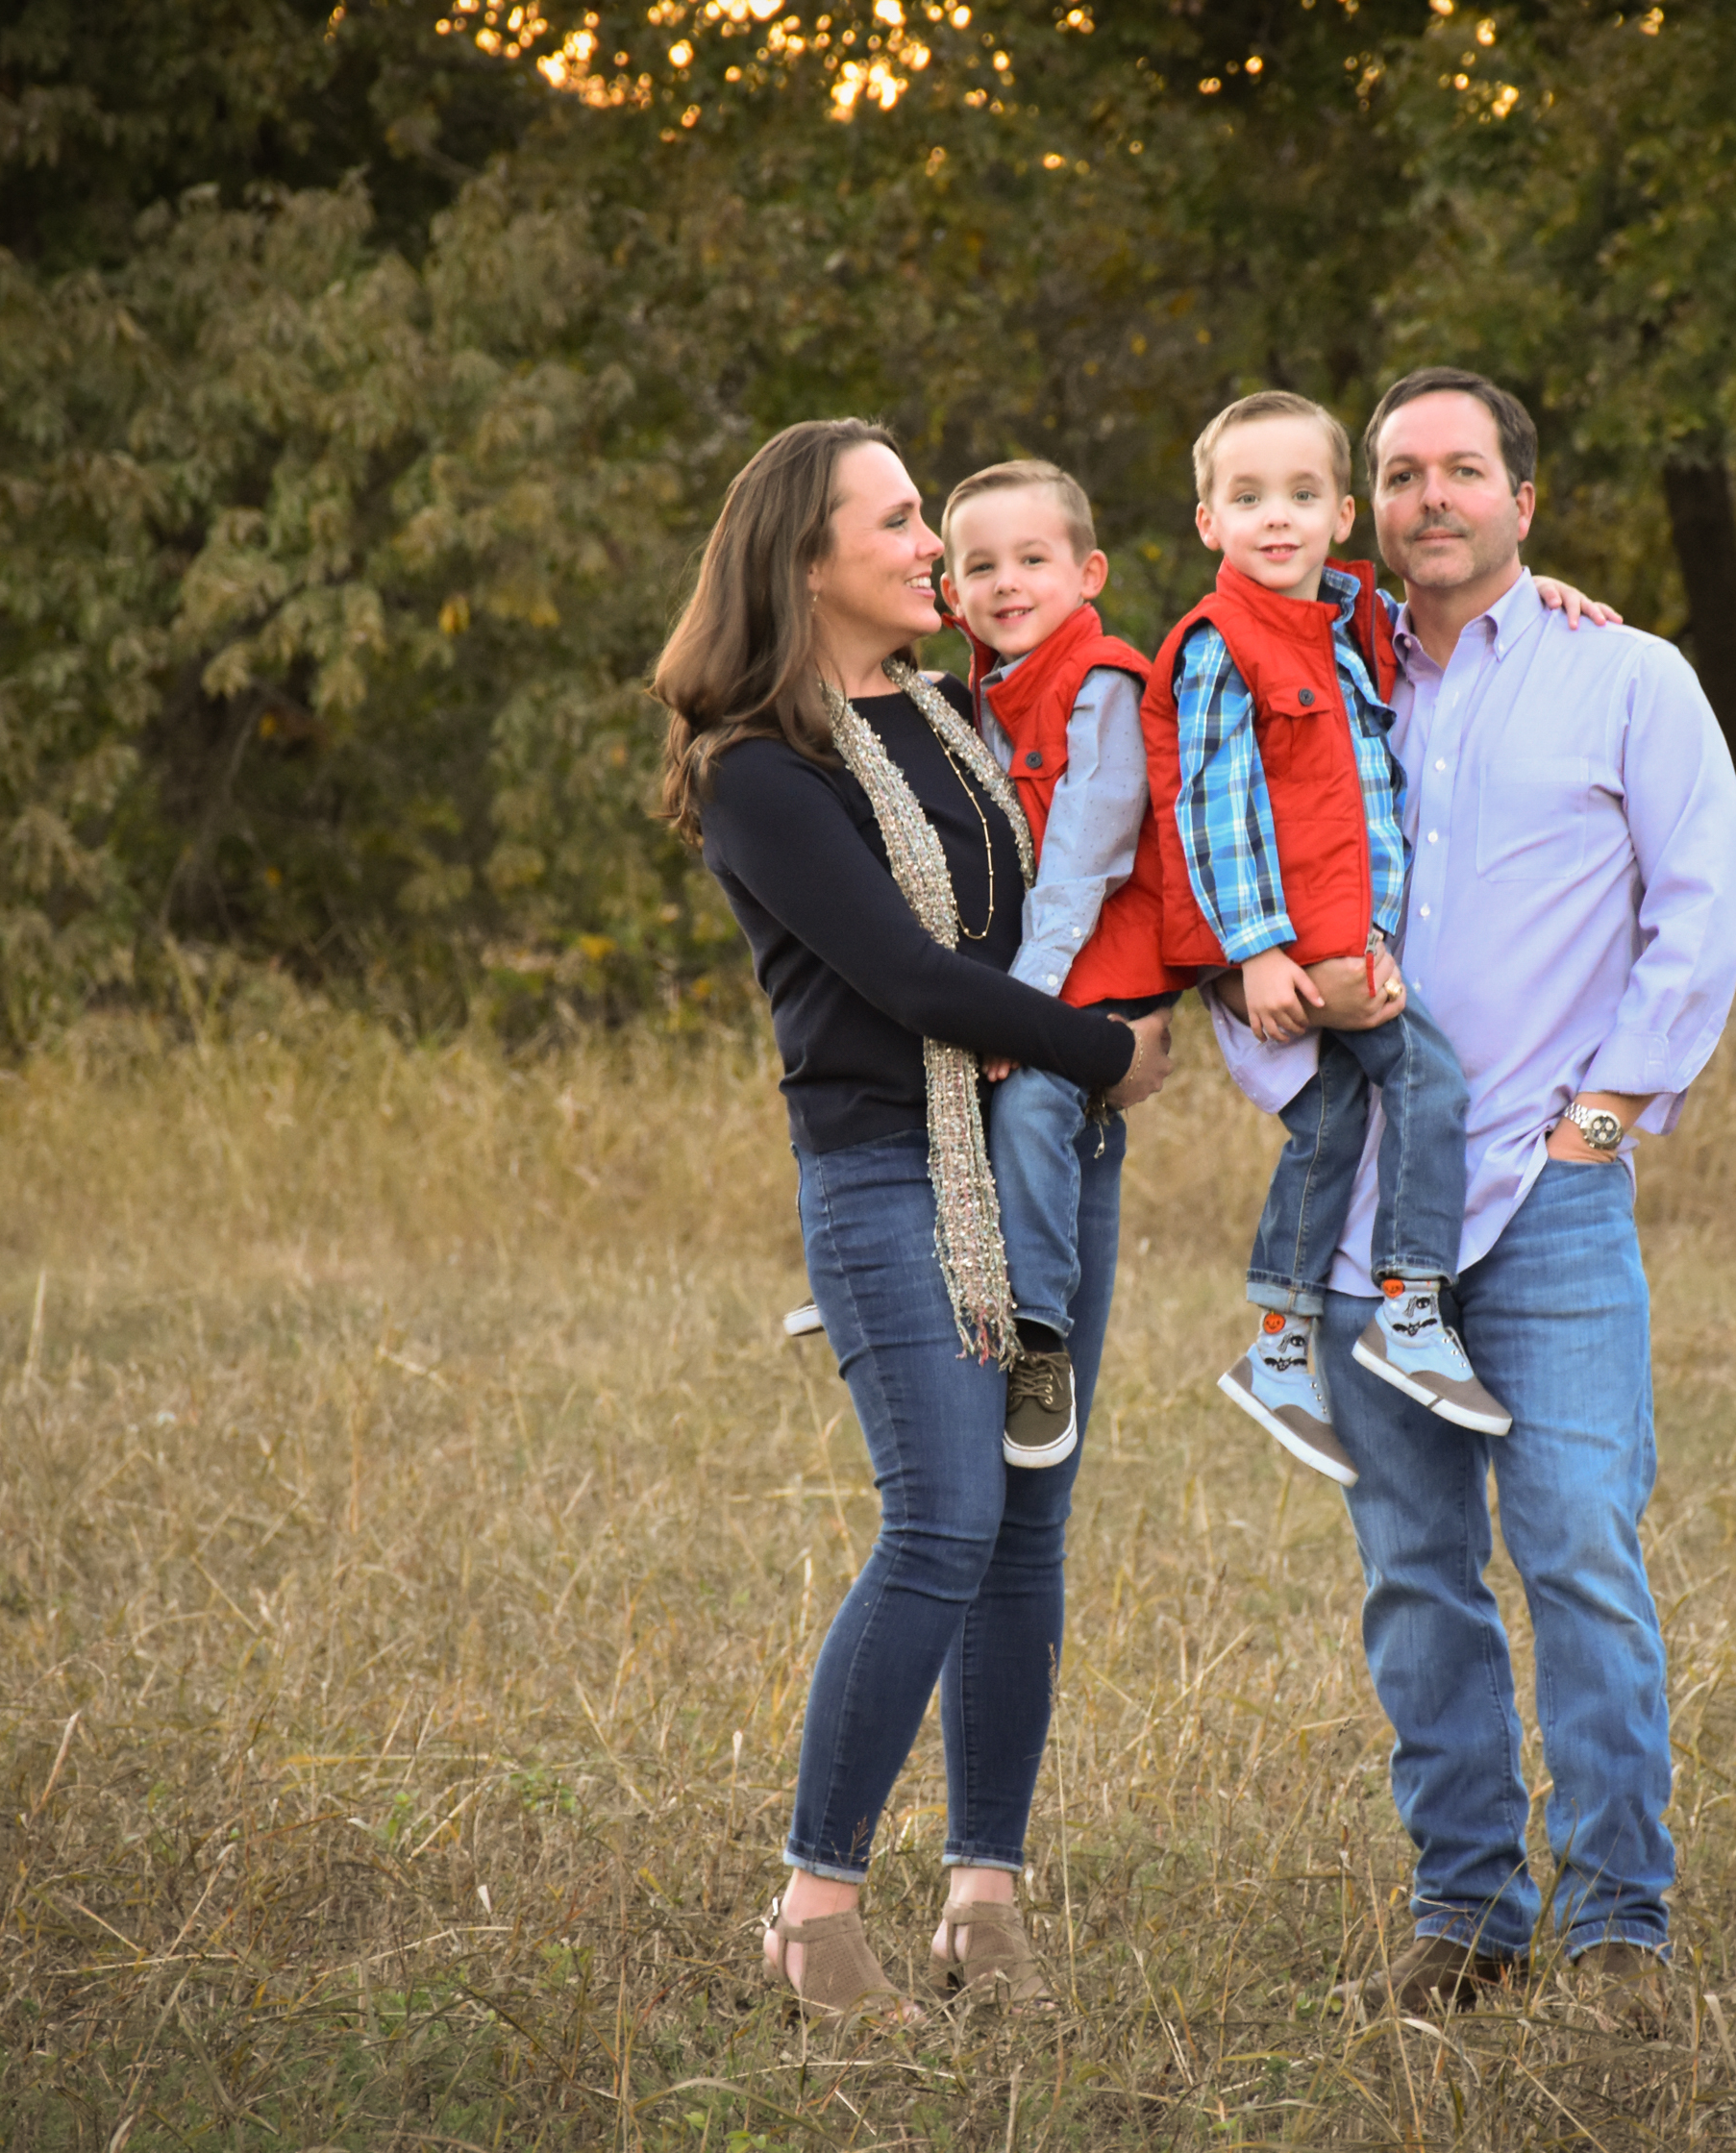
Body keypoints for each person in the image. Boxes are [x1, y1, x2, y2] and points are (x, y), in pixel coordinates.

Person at [1210, 368, 1736, 2019]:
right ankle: (1465, 1915)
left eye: (1462, 470)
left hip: (1550, 1197)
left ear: (1525, 497)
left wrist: (1608, 1113)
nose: (1429, 497)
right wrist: (1296, 1087)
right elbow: (1215, 874)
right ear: (1365, 506)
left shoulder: (1625, 675)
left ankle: (1619, 1928)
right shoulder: (1305, 664)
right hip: (1367, 1206)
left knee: (1578, 1546)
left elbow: (1704, 901)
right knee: (1415, 1573)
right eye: (1400, 473)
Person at [655, 418, 1176, 2021]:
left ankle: (983, 1901)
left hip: (1048, 1166)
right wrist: (1109, 1052)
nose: (931, 546)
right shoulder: (761, 771)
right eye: (894, 521)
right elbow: (911, 976)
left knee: (1025, 1534)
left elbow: (1160, 734)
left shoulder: (962, 713)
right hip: (892, 1172)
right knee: (944, 1521)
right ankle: (814, 1910)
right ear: (805, 560)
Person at [1153, 390, 1510, 1488]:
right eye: (1248, 497)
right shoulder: (1223, 643)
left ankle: (1278, 1346)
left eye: (1303, 494)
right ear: (1208, 520)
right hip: (1291, 945)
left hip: (1346, 941)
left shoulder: (1348, 632)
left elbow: (1360, 807)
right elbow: (1212, 805)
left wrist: (1548, 593)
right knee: (1431, 1082)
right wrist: (1257, 950)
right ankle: (1411, 1306)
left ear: (1343, 515)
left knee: (1330, 1122)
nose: (1278, 517)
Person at [938, 459, 1186, 1470]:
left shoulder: (1103, 684)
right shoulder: (976, 697)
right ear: (950, 591)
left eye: (1032, 560)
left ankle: (1040, 1337)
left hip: (1094, 963)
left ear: (1089, 574)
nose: (1006, 582)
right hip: (1031, 967)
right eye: (981, 566)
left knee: (1036, 1104)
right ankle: (907, 1278)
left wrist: (1020, 1007)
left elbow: (1088, 858)